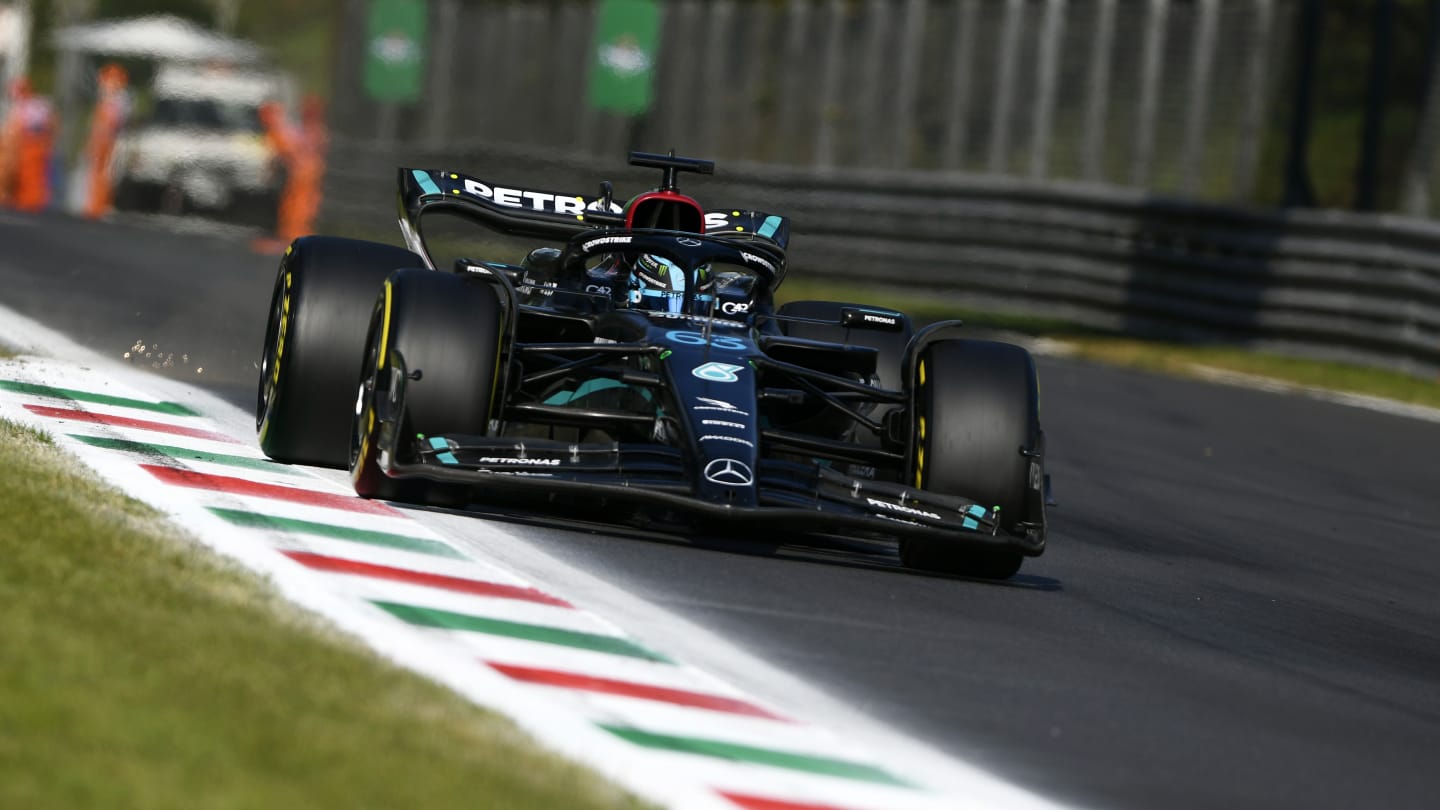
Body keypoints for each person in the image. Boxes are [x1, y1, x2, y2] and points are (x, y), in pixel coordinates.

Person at [0, 77, 56, 213]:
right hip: (16, 148)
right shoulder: (18, 107)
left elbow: (43, 128)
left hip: (30, 148)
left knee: (31, 177)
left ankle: (31, 202)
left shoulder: (35, 106)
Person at [83, 63, 130, 220]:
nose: (104, 84)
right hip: (100, 142)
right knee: (95, 174)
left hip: (111, 142)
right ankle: (94, 206)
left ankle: (101, 206)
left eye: (107, 81)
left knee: (106, 174)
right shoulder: (105, 98)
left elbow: (115, 122)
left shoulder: (121, 99)